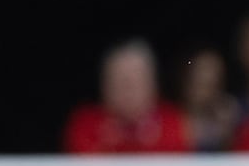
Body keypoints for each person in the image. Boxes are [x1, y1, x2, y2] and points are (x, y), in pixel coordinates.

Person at [63, 40, 191, 155]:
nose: (128, 90)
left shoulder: (172, 121)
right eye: (120, 81)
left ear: (153, 83)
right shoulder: (85, 123)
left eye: (135, 81)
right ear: (104, 84)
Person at [174, 45, 241, 153]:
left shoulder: (229, 116)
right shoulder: (170, 118)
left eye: (210, 84)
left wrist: (229, 134)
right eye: (198, 80)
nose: (205, 76)